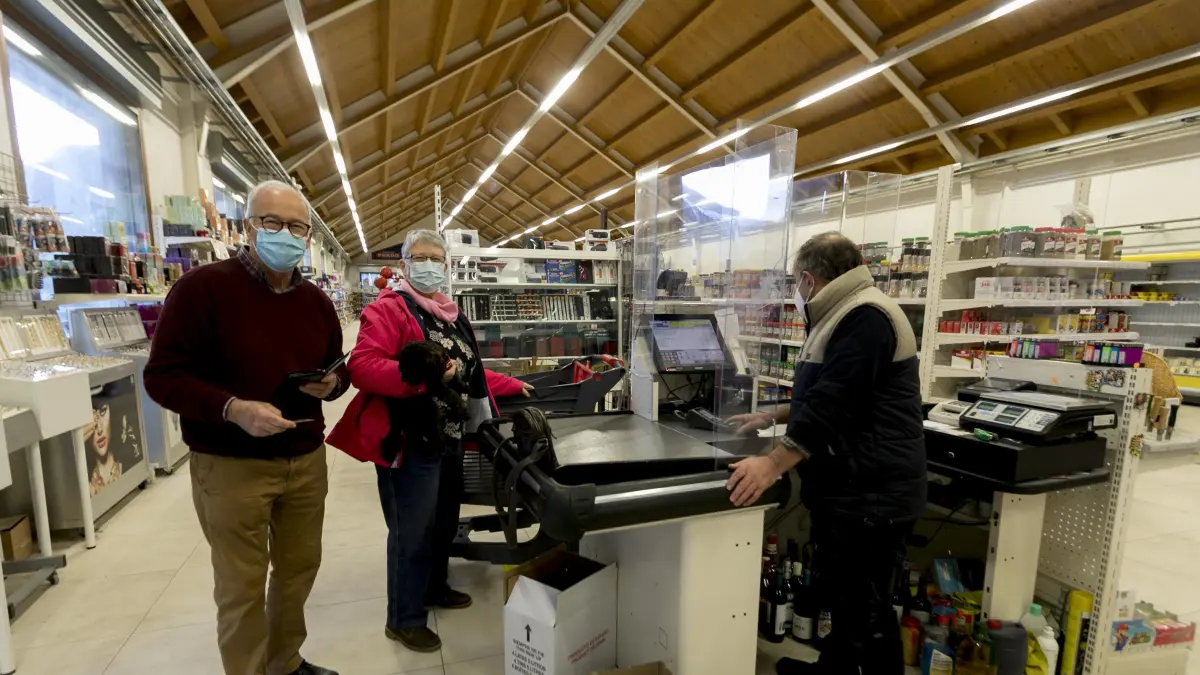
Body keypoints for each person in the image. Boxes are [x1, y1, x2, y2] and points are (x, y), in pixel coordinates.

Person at [144, 180, 348, 675]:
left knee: (299, 569)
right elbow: (162, 377)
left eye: (297, 227)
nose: (286, 234)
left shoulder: (317, 303)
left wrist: (333, 384)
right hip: (231, 465)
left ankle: (285, 661)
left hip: (305, 458)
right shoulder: (201, 290)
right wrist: (232, 408)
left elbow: (338, 369)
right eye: (273, 222)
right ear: (249, 227)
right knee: (241, 585)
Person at [726, 232, 926, 675]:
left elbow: (834, 404)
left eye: (795, 282)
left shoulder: (866, 317)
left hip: (872, 494)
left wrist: (771, 465)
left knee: (867, 612)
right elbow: (832, 391)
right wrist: (774, 414)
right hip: (853, 489)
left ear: (808, 278)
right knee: (845, 598)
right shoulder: (844, 312)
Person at [326, 229, 530, 653]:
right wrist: (424, 378)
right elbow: (363, 366)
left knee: (442, 523)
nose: (429, 265)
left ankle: (434, 588)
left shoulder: (450, 315)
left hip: (448, 439)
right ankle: (404, 618)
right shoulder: (389, 309)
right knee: (412, 531)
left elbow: (470, 371)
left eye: (437, 259)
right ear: (404, 265)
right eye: (420, 258)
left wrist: (511, 383)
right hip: (409, 440)